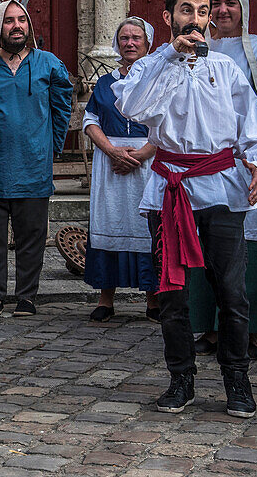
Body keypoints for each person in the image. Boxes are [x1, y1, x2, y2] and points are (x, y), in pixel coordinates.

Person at [113, 0, 257, 418]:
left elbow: (255, 124)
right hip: (171, 191)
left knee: (231, 290)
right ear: (169, 17)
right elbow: (133, 107)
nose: (196, 18)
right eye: (186, 10)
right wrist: (170, 57)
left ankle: (237, 381)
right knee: (174, 294)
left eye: (203, 11)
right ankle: (181, 380)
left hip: (222, 189)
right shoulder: (150, 66)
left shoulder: (225, 68)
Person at [186, 0, 257, 360]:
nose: (222, 9)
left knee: (250, 244)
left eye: (230, 3)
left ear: (243, 8)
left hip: (245, 162)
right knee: (210, 245)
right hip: (206, 164)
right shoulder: (194, 50)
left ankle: (250, 331)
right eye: (215, 3)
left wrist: (237, 146)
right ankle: (212, 329)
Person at [0, 0, 74, 317]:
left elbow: (62, 106)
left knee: (31, 238)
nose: (17, 26)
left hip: (33, 164)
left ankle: (27, 296)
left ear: (29, 26)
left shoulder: (48, 64)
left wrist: (52, 146)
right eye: (9, 21)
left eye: (22, 20)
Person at [82, 17, 159, 322]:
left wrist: (139, 155)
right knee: (110, 223)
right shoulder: (105, 82)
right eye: (124, 38)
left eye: (136, 38)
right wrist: (113, 151)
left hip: (148, 163)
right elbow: (90, 122)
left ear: (147, 43)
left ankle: (154, 301)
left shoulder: (158, 79)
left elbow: (168, 125)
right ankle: (105, 300)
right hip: (110, 164)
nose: (129, 43)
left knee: (147, 227)